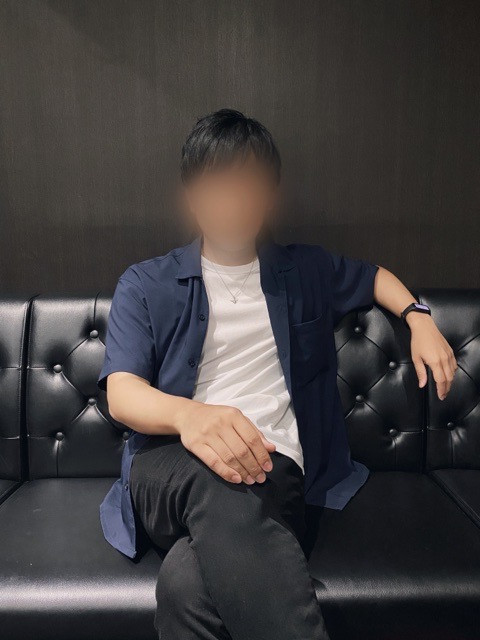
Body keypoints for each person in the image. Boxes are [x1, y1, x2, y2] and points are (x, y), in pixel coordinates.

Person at [98, 109, 457, 640]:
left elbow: (373, 277)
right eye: (217, 185)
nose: (233, 201)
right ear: (192, 195)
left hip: (272, 465)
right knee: (217, 477)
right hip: (168, 466)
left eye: (248, 185)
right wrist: (193, 418)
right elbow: (122, 393)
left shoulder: (304, 269)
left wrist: (418, 317)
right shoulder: (145, 283)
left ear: (269, 196)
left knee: (184, 588)